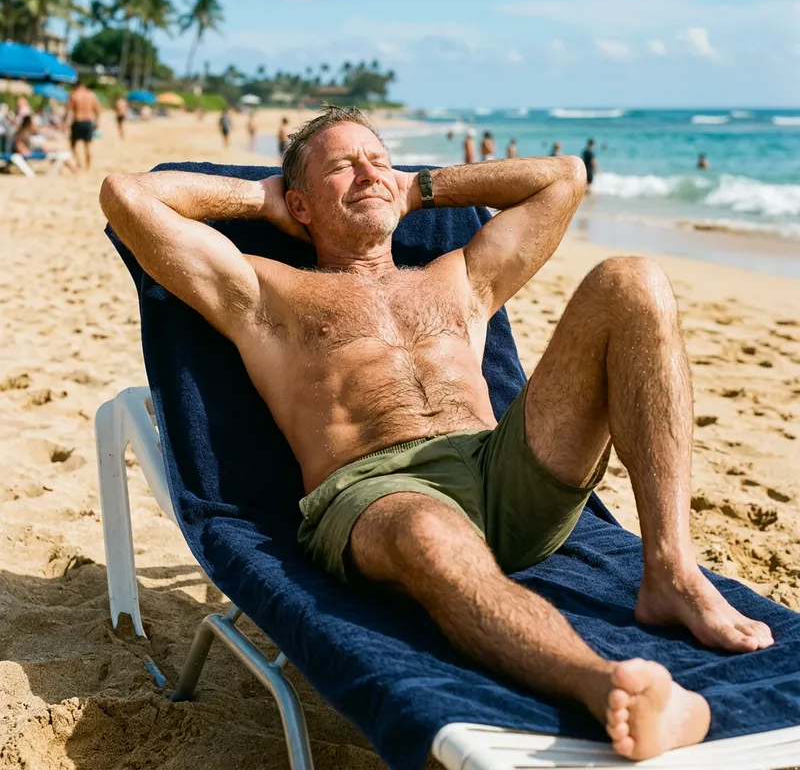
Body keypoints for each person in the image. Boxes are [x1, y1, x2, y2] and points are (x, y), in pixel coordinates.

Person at [101, 105, 773, 763]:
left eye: (379, 161)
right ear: (301, 205)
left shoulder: (462, 278)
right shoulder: (265, 294)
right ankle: (607, 687)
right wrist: (260, 197)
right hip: (380, 493)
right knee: (425, 529)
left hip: (504, 472)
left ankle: (671, 570)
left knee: (633, 281)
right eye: (342, 168)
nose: (369, 173)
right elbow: (126, 195)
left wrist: (420, 188)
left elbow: (564, 177)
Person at [66, 78, 101, 170]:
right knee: (88, 146)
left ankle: (79, 164)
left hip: (78, 121)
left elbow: (69, 111)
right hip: (88, 122)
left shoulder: (74, 95)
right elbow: (97, 110)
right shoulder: (92, 95)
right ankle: (89, 167)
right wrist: (97, 122)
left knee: (73, 145)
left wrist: (66, 123)